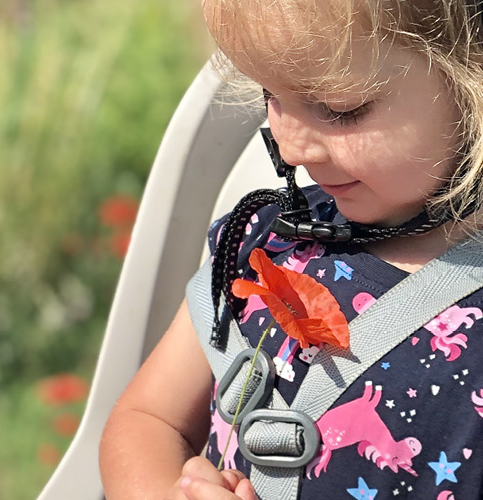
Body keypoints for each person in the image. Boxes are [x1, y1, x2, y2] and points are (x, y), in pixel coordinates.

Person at [99, 0, 483, 499]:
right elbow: (147, 418)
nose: (291, 149)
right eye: (271, 95)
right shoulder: (266, 240)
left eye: (340, 110)